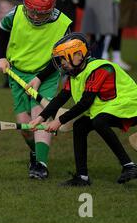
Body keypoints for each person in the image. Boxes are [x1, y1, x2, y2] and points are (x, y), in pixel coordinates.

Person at [29, 33, 137, 186]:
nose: (62, 63)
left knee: (99, 121)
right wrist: (40, 118)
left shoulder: (99, 69)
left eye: (63, 58)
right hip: (108, 108)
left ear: (78, 55)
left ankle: (129, 166)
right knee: (80, 126)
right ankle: (82, 177)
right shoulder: (75, 74)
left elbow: (85, 103)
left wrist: (59, 121)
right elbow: (60, 98)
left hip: (130, 106)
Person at [0, 0, 72, 180]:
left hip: (47, 73)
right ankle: (36, 151)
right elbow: (3, 29)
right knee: (24, 125)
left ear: (52, 9)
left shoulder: (63, 25)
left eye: (41, 14)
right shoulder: (16, 13)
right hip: (18, 72)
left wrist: (39, 78)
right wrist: (1, 56)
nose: (35, 17)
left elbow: (61, 59)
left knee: (39, 115)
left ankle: (41, 165)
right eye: (32, 12)